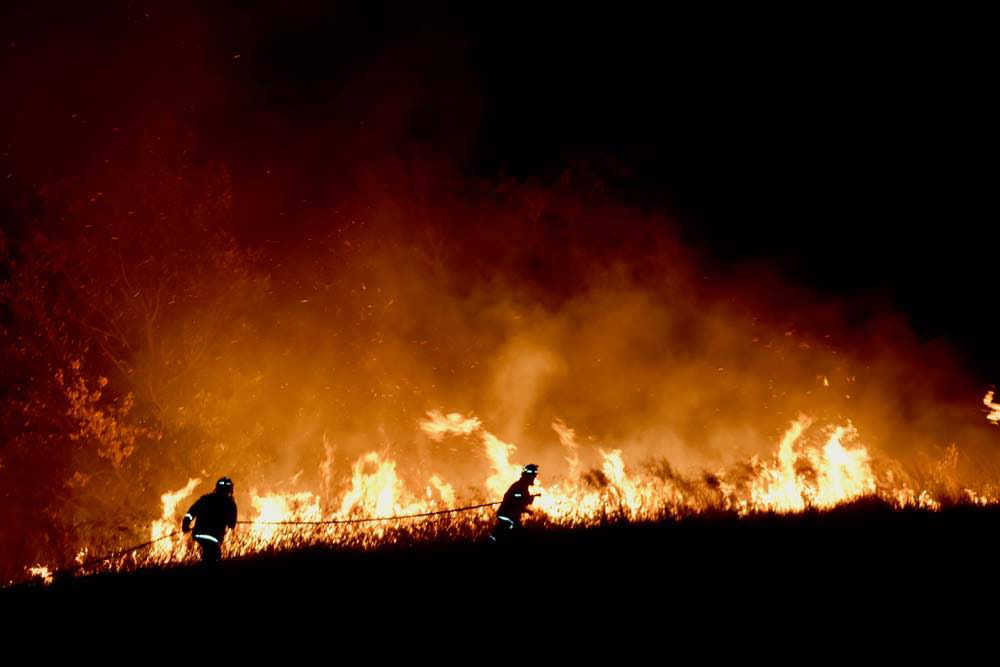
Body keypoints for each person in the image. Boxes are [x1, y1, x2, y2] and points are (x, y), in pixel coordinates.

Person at [182, 477, 237, 564]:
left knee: (209, 554)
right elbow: (232, 524)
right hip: (213, 536)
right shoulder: (230, 503)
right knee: (213, 557)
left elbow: (191, 512)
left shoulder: (205, 498)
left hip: (199, 533)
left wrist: (185, 524)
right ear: (230, 490)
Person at [489, 464, 539, 543]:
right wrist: (527, 501)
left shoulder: (522, 486)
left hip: (508, 516)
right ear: (528, 476)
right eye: (533, 476)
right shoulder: (520, 486)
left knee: (500, 536)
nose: (534, 478)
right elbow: (515, 503)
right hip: (508, 516)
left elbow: (517, 501)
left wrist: (527, 502)